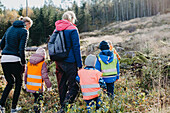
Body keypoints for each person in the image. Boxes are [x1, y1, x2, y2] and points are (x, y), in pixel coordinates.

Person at [0, 16, 33, 113]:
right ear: (26, 23)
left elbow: (1, 44)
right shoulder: (24, 31)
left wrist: (8, 50)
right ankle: (13, 108)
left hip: (4, 59)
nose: (28, 29)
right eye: (29, 27)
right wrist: (23, 62)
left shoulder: (9, 29)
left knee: (10, 83)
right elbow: (21, 49)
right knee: (18, 83)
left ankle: (1, 105)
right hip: (15, 60)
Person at [54, 11, 82, 112]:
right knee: (74, 86)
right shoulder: (73, 29)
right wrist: (80, 64)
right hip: (70, 62)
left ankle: (62, 107)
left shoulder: (56, 29)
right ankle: (64, 108)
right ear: (72, 18)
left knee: (61, 85)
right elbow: (76, 47)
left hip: (58, 61)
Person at [24, 47, 52, 113]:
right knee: (39, 100)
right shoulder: (42, 64)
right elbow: (45, 76)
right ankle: (38, 111)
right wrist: (49, 86)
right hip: (38, 87)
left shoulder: (29, 62)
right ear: (43, 55)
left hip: (30, 86)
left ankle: (36, 110)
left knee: (36, 99)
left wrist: (25, 83)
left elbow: (26, 74)